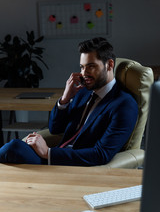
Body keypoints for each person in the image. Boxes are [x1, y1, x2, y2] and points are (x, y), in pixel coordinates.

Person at [0, 37, 138, 166]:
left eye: (91, 66)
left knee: (13, 148)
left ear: (109, 65)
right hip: (57, 154)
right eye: (82, 67)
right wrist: (65, 99)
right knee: (12, 152)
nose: (84, 73)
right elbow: (55, 128)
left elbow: (102, 154)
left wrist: (47, 153)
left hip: (72, 164)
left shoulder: (124, 105)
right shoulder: (84, 92)